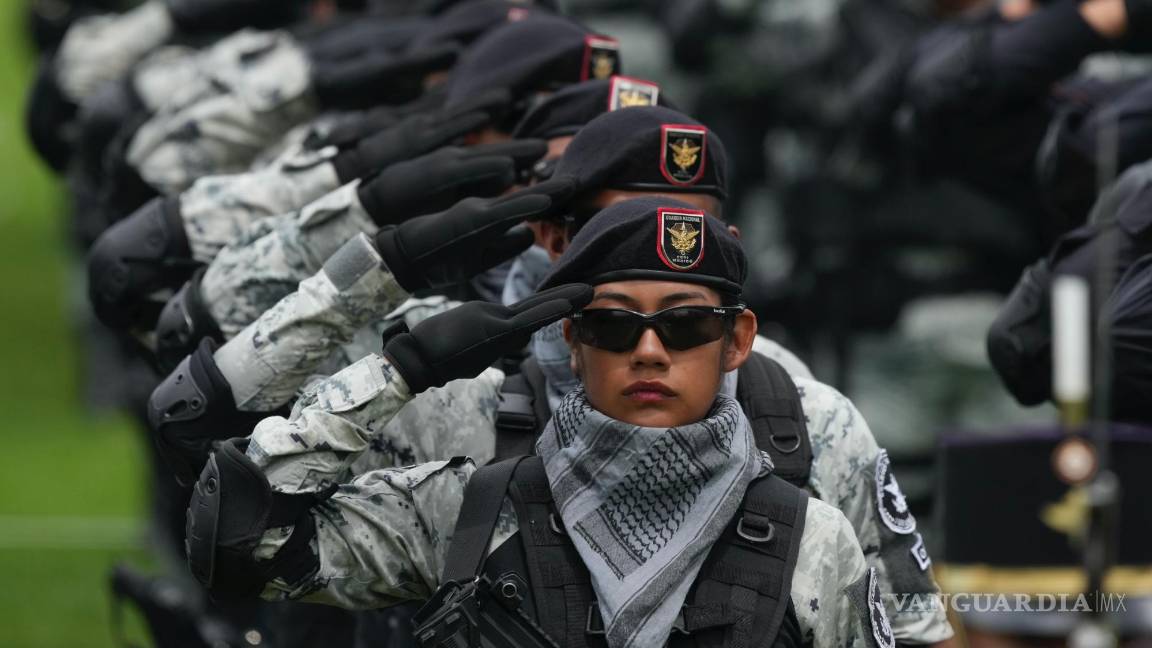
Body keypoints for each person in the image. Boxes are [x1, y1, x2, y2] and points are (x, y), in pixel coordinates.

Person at [185, 198, 884, 648]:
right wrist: (400, 372)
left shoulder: (811, 540)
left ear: (736, 342)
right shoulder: (473, 509)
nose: (648, 351)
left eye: (686, 325)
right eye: (613, 326)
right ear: (572, 344)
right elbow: (242, 535)